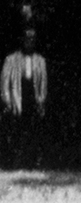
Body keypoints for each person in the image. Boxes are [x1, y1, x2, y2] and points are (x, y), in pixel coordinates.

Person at [2, 28, 49, 164]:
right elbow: (5, 83)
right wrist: (7, 101)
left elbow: (43, 83)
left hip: (32, 98)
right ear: (22, 40)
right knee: (16, 130)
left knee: (33, 130)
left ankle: (32, 160)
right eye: (27, 39)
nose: (29, 42)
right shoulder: (11, 59)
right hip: (18, 97)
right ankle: (16, 160)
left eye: (32, 39)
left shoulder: (40, 60)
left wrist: (41, 101)